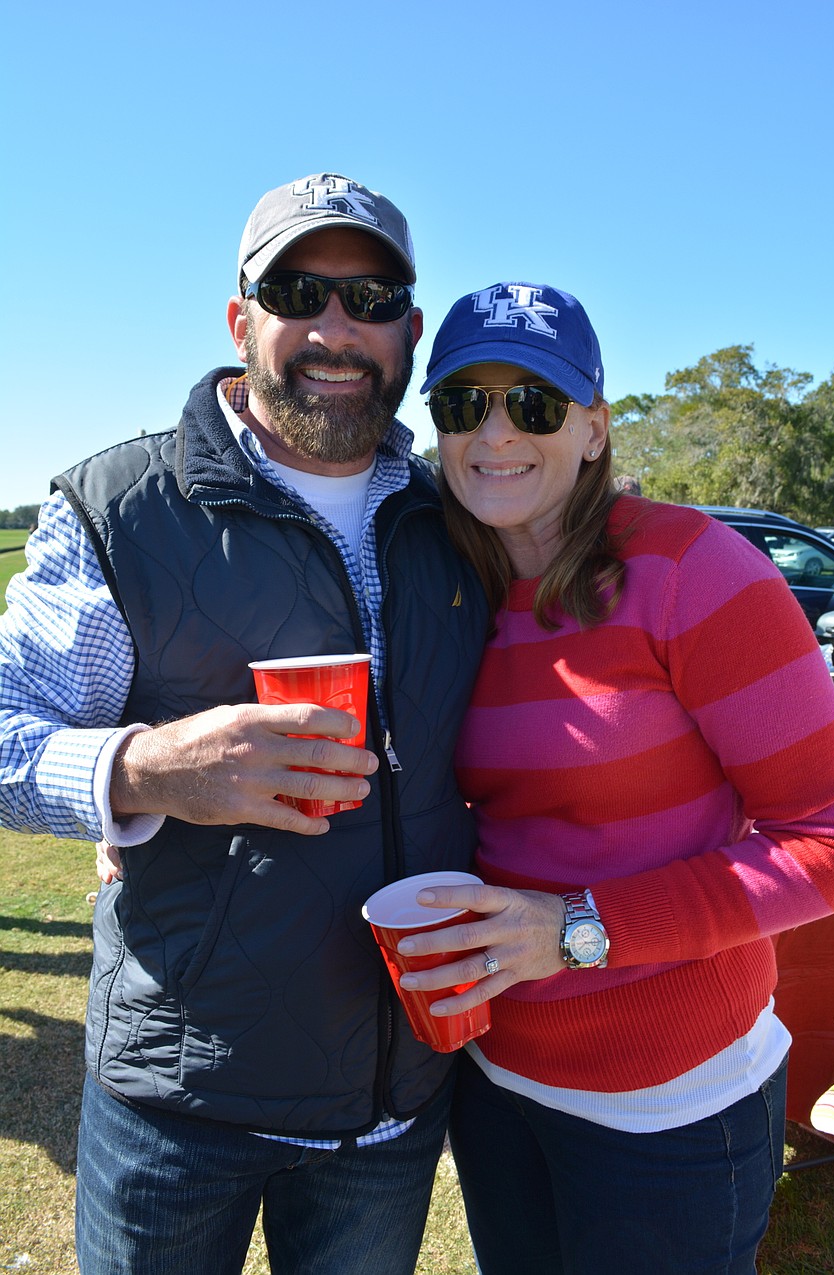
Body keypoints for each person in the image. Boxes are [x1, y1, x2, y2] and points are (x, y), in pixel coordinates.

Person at [0, 174, 488, 1274]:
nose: (336, 328)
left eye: (371, 300)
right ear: (240, 320)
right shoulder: (123, 507)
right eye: (297, 292)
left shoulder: (459, 513)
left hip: (395, 1100)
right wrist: (144, 769)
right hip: (180, 1104)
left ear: (410, 330)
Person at [390, 279, 834, 1274]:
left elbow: (833, 836)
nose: (495, 431)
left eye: (535, 403)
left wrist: (577, 928)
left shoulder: (694, 570)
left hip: (671, 1106)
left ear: (594, 428)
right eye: (464, 403)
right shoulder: (452, 585)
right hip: (495, 1080)